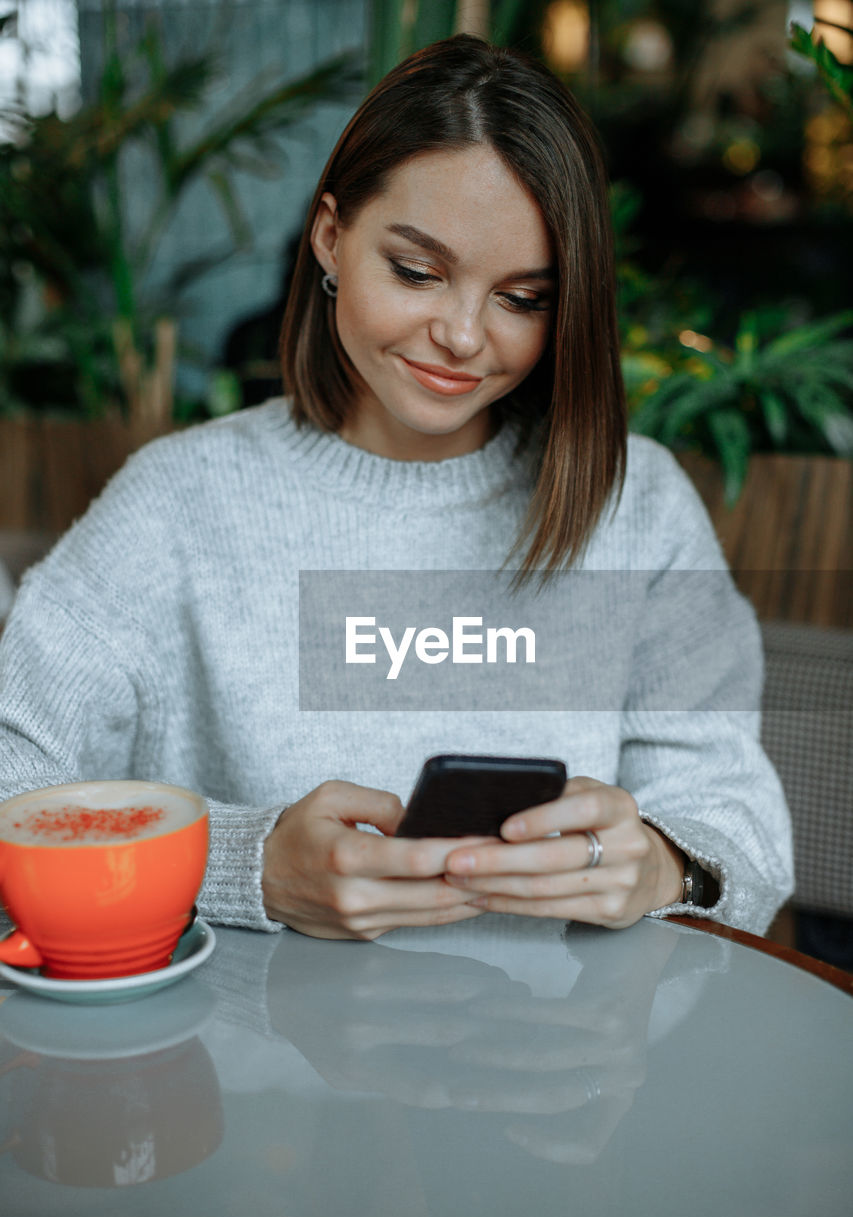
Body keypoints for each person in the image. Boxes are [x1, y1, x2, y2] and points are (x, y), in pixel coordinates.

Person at [0, 36, 791, 942]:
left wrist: (659, 861)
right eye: (416, 272)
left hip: (551, 1064)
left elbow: (741, 828)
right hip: (243, 1064)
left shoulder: (634, 504)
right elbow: (11, 784)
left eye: (523, 298)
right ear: (331, 235)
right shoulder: (177, 504)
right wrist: (246, 867)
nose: (461, 336)